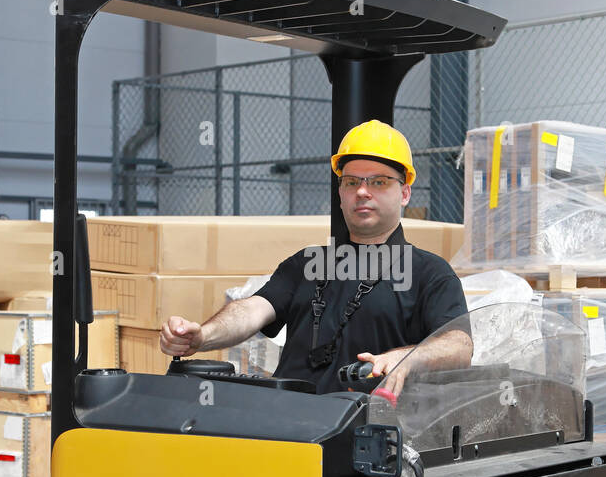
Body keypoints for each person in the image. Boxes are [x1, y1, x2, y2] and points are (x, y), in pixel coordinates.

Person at [159, 119, 471, 394]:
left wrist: (405, 358)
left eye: (379, 181)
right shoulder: (307, 264)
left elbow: (459, 345)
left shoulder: (429, 273)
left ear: (404, 193)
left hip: (367, 429)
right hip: (287, 424)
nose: (363, 192)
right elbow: (252, 310)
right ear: (341, 194)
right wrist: (202, 336)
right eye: (352, 182)